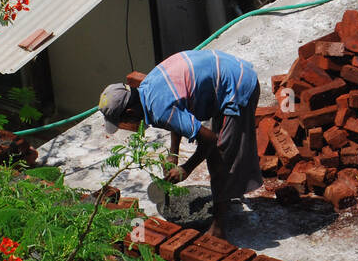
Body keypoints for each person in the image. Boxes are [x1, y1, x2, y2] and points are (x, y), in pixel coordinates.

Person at [98, 49, 262, 239]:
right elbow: (178, 112)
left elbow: (209, 139)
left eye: (123, 122)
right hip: (226, 72)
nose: (127, 126)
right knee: (222, 150)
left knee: (221, 157)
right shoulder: (147, 88)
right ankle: (226, 194)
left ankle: (218, 227)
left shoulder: (160, 109)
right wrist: (173, 153)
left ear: (129, 111)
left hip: (238, 85)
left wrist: (187, 168)